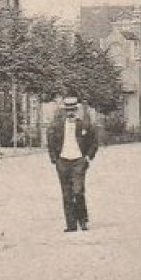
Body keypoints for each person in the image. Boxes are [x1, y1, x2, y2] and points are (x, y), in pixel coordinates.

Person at [46, 96, 100, 233]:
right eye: (68, 110)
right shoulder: (57, 126)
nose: (70, 112)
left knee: (78, 191)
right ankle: (71, 224)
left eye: (73, 110)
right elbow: (50, 141)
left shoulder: (84, 125)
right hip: (63, 161)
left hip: (79, 161)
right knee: (66, 193)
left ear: (76, 110)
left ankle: (83, 221)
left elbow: (94, 141)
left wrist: (87, 157)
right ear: (64, 111)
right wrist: (55, 159)